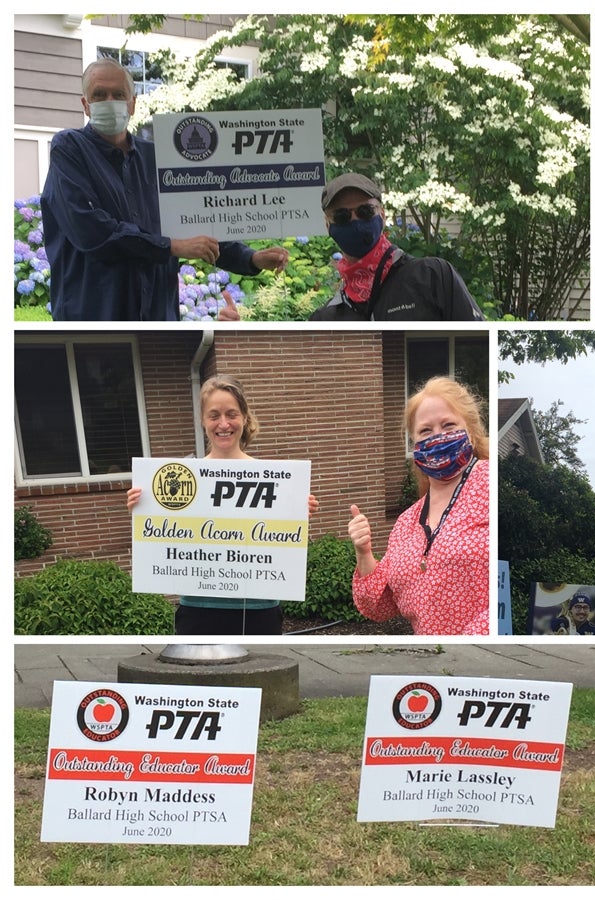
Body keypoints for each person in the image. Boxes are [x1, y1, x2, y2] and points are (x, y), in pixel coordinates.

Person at [41, 59, 289, 321]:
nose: (109, 101)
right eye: (99, 95)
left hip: (157, 320)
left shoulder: (159, 158)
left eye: (119, 94)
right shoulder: (69, 148)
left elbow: (196, 220)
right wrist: (170, 246)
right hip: (94, 322)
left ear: (133, 104)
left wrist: (251, 259)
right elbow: (91, 231)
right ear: (85, 105)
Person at [126, 374, 318, 635]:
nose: (224, 423)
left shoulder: (276, 478)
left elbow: (282, 545)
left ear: (245, 417)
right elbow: (164, 536)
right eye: (214, 415)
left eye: (232, 414)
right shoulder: (185, 474)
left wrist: (296, 512)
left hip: (259, 609)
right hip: (197, 609)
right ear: (203, 421)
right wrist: (143, 508)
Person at [347, 376, 488, 635]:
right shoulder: (407, 522)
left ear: (470, 430)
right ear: (414, 444)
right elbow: (380, 607)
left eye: (448, 425)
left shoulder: (491, 484)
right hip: (435, 663)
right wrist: (364, 554)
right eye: (425, 431)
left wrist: (469, 647)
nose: (438, 437)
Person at [310, 173, 484, 321]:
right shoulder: (325, 319)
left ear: (383, 216)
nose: (355, 220)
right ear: (327, 225)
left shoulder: (432, 277)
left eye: (365, 211)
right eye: (342, 216)